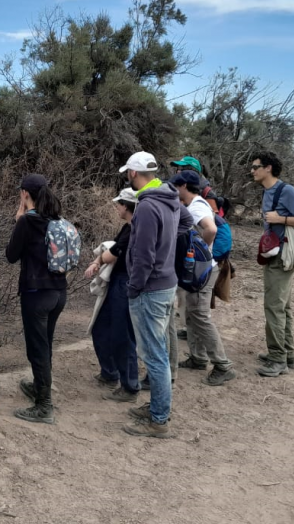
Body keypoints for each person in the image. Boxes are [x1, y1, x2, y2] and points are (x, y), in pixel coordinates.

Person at [119, 151, 179, 439]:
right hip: (167, 283)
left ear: (133, 173)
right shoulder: (170, 196)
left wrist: (134, 287)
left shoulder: (145, 206)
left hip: (150, 288)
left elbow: (143, 255)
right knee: (160, 352)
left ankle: (158, 420)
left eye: (127, 173)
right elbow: (188, 225)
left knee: (154, 356)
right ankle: (159, 407)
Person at [6, 173, 67, 424]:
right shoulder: (56, 219)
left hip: (36, 293)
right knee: (46, 345)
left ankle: (44, 406)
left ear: (24, 194)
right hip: (58, 292)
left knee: (37, 349)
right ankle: (40, 388)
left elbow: (11, 255)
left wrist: (18, 220)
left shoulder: (27, 222)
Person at [251, 151, 294, 377]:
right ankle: (287, 355)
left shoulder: (286, 191)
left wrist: (281, 219)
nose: (252, 171)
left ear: (268, 168)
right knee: (282, 306)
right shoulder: (269, 191)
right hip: (275, 254)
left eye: (255, 166)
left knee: (274, 306)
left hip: (283, 256)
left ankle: (278, 358)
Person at [171, 170, 236, 386]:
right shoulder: (195, 204)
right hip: (200, 269)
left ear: (183, 186)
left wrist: (200, 251)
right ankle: (198, 357)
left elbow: (211, 229)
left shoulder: (197, 206)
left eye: (175, 186)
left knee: (199, 315)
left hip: (202, 270)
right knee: (191, 312)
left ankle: (223, 365)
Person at [85, 188, 141, 404]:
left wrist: (98, 260)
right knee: (101, 327)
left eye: (118, 204)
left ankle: (130, 385)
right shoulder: (128, 227)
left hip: (125, 284)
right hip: (118, 282)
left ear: (126, 206)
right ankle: (110, 372)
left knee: (123, 335)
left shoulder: (135, 228)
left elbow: (112, 253)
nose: (116, 207)